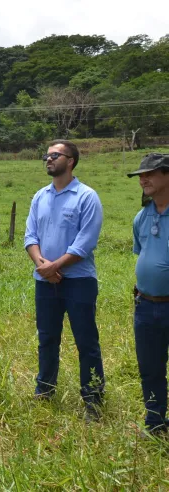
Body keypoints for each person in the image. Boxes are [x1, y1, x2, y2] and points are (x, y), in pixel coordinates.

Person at [24, 140, 105, 421]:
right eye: (46, 155)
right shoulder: (40, 196)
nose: (48, 159)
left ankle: (93, 400)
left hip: (78, 281)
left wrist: (55, 266)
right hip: (45, 282)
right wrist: (41, 265)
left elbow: (85, 243)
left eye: (54, 155)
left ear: (70, 161)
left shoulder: (86, 196)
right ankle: (44, 390)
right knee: (47, 339)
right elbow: (30, 236)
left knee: (86, 341)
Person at [128, 153, 169, 436]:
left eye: (150, 173)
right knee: (150, 368)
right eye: (140, 175)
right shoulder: (142, 217)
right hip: (145, 305)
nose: (143, 179)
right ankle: (155, 424)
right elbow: (143, 254)